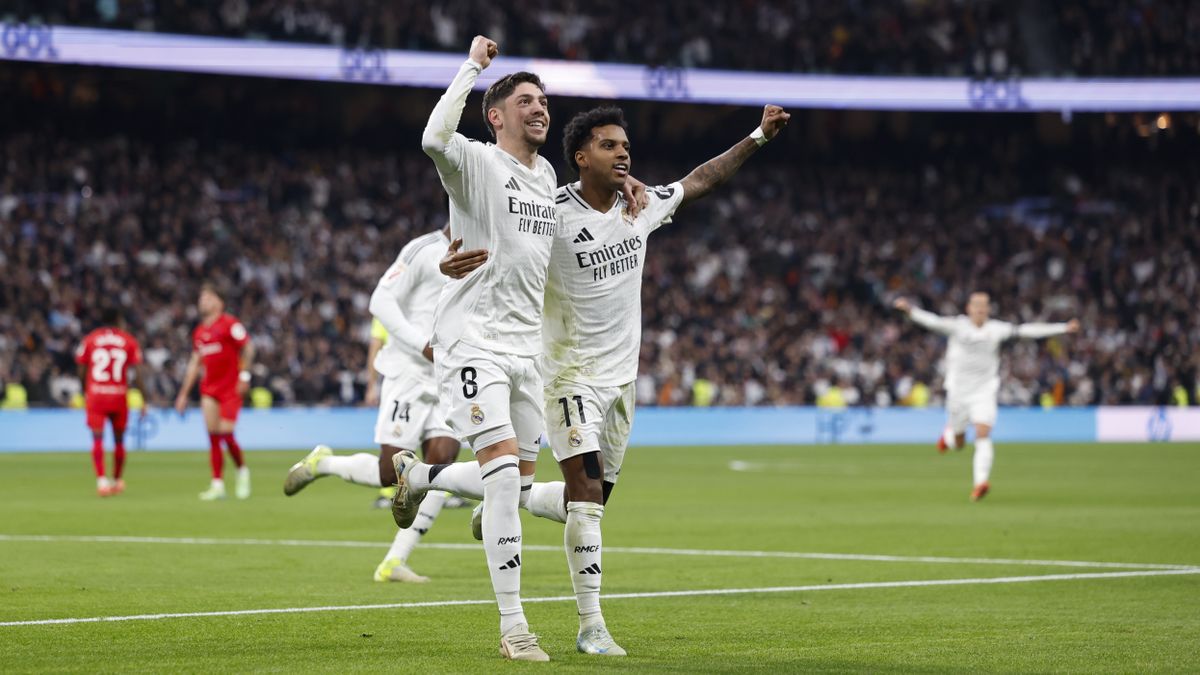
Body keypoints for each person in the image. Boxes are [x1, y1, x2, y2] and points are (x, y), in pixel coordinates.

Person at [412, 102, 791, 656]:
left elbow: (700, 179)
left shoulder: (638, 207)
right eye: (611, 146)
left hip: (621, 383)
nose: (624, 153)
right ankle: (591, 627)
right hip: (567, 376)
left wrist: (758, 136)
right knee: (585, 501)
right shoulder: (550, 207)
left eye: (626, 146)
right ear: (581, 156)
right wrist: (441, 267)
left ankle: (435, 480)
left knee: (579, 503)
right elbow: (485, 233)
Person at [283, 227, 464, 583]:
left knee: (441, 464)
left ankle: (395, 561)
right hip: (408, 373)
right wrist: (421, 344)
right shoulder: (423, 249)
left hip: (449, 376)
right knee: (390, 473)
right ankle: (324, 463)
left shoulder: (481, 247)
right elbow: (380, 302)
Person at [893, 293, 1080, 501]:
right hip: (958, 392)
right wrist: (910, 310)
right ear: (968, 308)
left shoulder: (996, 329)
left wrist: (1063, 328)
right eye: (976, 306)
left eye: (984, 307)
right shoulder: (957, 326)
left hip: (984, 391)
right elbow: (932, 321)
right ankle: (948, 437)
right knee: (959, 441)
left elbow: (1027, 330)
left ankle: (980, 482)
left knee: (983, 433)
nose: (980, 310)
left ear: (988, 310)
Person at [175, 283, 255, 501]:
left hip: (230, 389)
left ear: (219, 302)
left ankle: (242, 472)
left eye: (208, 297)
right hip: (209, 389)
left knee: (227, 434)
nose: (203, 301)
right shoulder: (200, 332)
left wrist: (244, 376)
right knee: (213, 437)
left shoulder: (230, 324)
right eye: (202, 298)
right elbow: (194, 363)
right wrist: (183, 394)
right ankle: (217, 484)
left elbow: (248, 347)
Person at [75, 308, 147, 497]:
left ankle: (101, 482)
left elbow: (82, 368)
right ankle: (116, 480)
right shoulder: (128, 340)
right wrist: (144, 398)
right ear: (118, 320)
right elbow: (137, 373)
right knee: (119, 441)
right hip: (118, 395)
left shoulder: (90, 339)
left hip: (96, 395)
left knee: (97, 438)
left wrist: (85, 390)